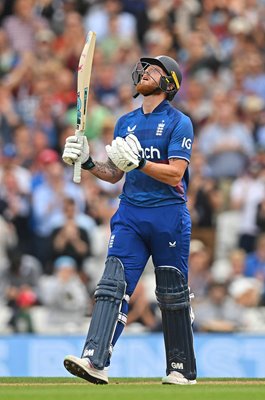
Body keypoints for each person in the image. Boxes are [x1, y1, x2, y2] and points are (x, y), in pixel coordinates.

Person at [62, 55, 197, 385]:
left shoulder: (180, 122)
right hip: (131, 214)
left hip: (169, 213)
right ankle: (95, 360)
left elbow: (176, 174)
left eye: (153, 70)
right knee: (112, 284)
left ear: (170, 82)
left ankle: (181, 368)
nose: (143, 72)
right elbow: (114, 174)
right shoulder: (125, 122)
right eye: (143, 68)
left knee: (171, 293)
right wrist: (90, 161)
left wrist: (140, 164)